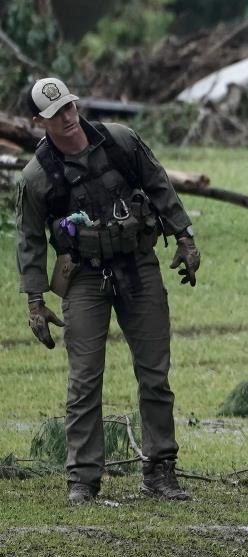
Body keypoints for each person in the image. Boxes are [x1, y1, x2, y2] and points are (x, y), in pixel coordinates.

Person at [14, 78, 201, 504]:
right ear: (38, 122)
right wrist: (35, 301)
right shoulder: (37, 176)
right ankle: (82, 480)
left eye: (69, 106)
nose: (67, 117)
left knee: (155, 373)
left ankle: (160, 470)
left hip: (138, 264)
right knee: (84, 379)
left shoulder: (119, 140)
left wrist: (185, 238)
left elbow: (159, 185)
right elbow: (28, 240)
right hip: (82, 275)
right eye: (56, 113)